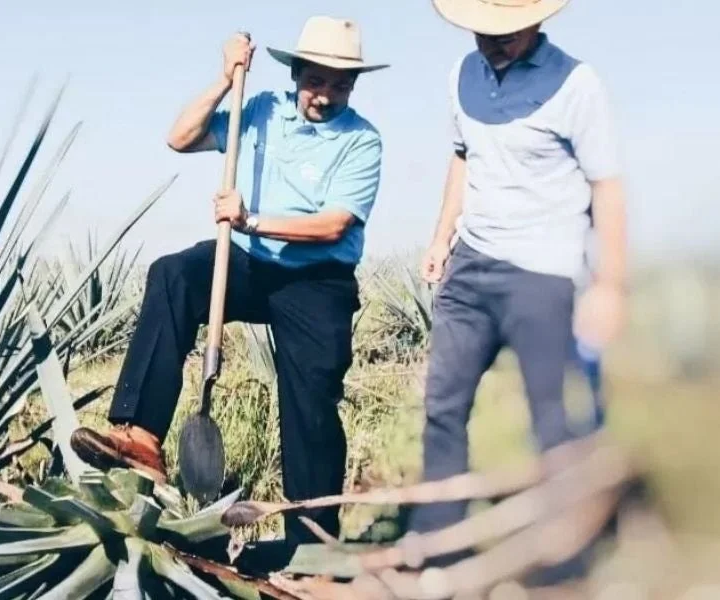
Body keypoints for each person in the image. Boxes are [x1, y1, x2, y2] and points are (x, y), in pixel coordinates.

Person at [70, 15, 388, 547]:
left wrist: (253, 220)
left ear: (352, 87)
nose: (325, 95)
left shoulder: (362, 142)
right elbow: (180, 138)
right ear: (297, 75)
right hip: (244, 261)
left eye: (339, 84)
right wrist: (224, 78)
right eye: (316, 80)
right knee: (173, 275)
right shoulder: (260, 110)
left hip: (317, 277)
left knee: (310, 401)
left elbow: (334, 224)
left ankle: (311, 540)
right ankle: (141, 435)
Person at [408, 0, 628, 582]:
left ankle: (563, 559)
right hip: (471, 266)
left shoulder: (578, 84)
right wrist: (441, 237)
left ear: (537, 19)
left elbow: (607, 186)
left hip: (543, 269)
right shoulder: (463, 74)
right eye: (483, 30)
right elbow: (463, 158)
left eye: (504, 32)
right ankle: (439, 544)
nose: (491, 41)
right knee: (443, 407)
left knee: (551, 418)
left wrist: (609, 284)